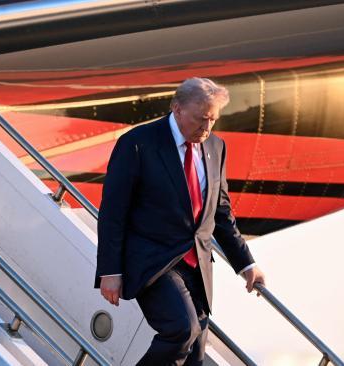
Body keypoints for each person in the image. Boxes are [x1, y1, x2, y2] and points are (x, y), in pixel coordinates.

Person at [94, 77, 266, 365]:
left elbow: (220, 212)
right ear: (177, 108)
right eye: (201, 119)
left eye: (213, 120)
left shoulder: (216, 147)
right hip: (153, 261)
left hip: (197, 263)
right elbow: (113, 212)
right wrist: (109, 271)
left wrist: (246, 264)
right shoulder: (138, 144)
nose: (207, 127)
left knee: (196, 353)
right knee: (181, 329)